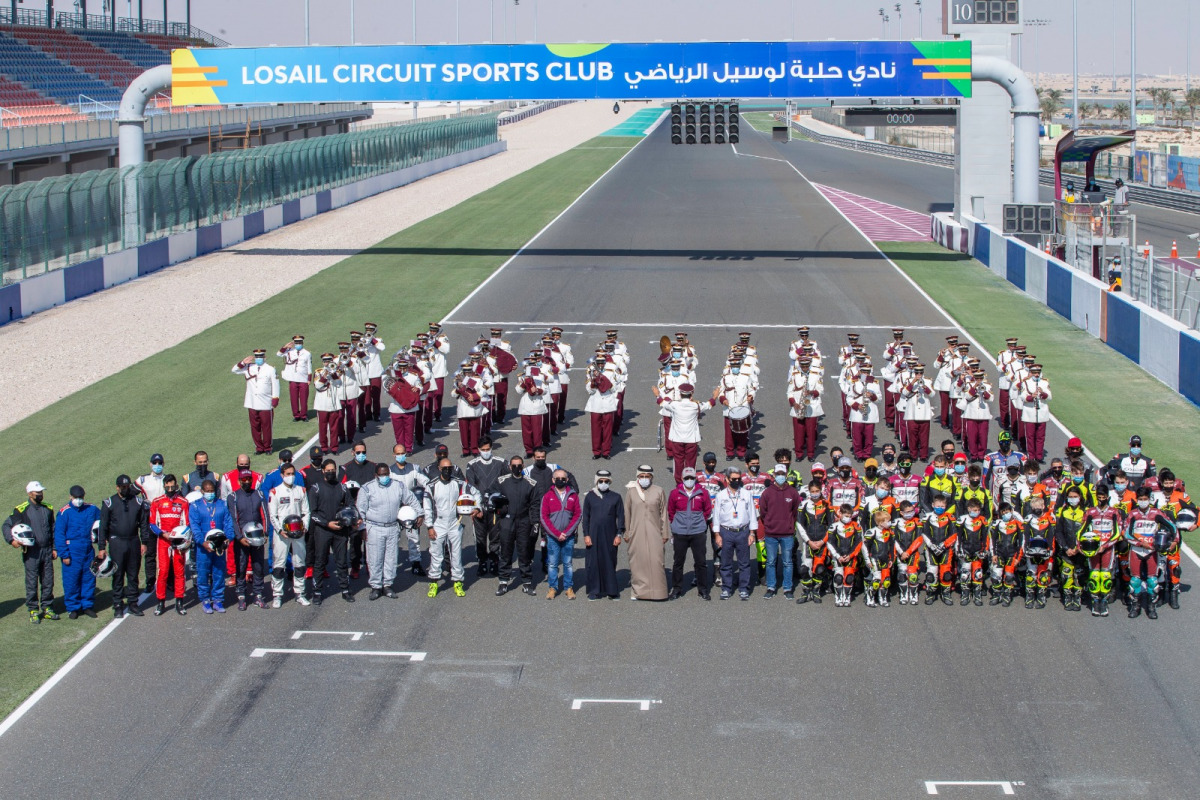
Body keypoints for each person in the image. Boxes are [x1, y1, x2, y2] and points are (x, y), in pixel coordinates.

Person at [358, 462, 422, 600]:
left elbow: (411, 499)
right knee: (375, 558)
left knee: (391, 558)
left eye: (386, 474)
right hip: (374, 527)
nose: (384, 477)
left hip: (392, 527)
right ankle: (376, 586)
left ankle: (387, 585)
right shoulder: (367, 489)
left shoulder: (398, 486)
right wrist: (362, 529)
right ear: (376, 475)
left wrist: (420, 513)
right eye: (381, 475)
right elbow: (360, 511)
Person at [423, 457, 482, 598]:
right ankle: (434, 582)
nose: (447, 470)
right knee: (436, 555)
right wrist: (429, 527)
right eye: (445, 468)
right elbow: (427, 508)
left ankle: (458, 582)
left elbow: (476, 493)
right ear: (439, 468)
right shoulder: (431, 485)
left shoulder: (459, 483)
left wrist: (477, 507)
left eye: (450, 468)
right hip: (438, 524)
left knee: (456, 555)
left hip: (455, 523)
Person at [4, 481, 58, 623]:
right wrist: (12, 541)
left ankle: (47, 607)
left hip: (46, 550)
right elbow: (6, 525)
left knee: (48, 581)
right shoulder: (21, 510)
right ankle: (33, 610)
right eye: (37, 492)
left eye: (41, 492)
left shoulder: (48, 508)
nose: (40, 494)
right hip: (31, 552)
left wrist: (54, 548)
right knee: (32, 581)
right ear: (30, 493)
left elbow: (53, 529)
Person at [97, 475, 150, 618]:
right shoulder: (109, 503)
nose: (125, 489)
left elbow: (144, 524)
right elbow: (103, 527)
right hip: (117, 542)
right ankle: (118, 605)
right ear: (117, 487)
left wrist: (144, 542)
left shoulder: (138, 502)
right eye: (123, 487)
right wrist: (102, 547)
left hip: (133, 540)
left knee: (133, 574)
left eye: (127, 487)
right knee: (118, 574)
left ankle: (133, 603)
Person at [490, 455, 540, 596]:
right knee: (505, 552)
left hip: (524, 521)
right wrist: (499, 508)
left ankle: (527, 583)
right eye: (514, 465)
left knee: (524, 552)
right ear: (510, 467)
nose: (517, 468)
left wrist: (535, 522)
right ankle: (503, 582)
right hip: (507, 520)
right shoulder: (501, 481)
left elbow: (535, 504)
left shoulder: (531, 483)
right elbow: (490, 495)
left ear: (523, 466)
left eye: (519, 465)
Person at [309, 459, 356, 604]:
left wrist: (349, 520)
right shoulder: (315, 488)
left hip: (340, 531)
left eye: (333, 470)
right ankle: (317, 592)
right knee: (320, 562)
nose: (331, 472)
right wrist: (327, 524)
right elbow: (312, 513)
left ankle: (345, 590)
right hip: (323, 531)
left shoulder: (342, 487)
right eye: (328, 470)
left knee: (342, 562)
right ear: (323, 471)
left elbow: (350, 506)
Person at [1124, 486, 1173, 620]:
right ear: (1137, 500)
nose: (1143, 501)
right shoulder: (1132, 514)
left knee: (1152, 580)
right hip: (1136, 550)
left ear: (1149, 499)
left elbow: (1172, 527)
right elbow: (1126, 533)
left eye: (1145, 499)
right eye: (1140, 499)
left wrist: (1173, 541)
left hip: (1152, 551)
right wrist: (1140, 543)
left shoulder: (1157, 513)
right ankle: (1136, 606)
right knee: (1135, 580)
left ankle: (1151, 607)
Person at [623, 465, 670, 601]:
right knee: (638, 561)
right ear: (637, 477)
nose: (644, 479)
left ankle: (659, 592)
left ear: (651, 477)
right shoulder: (631, 492)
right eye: (641, 476)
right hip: (636, 531)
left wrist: (665, 533)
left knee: (656, 561)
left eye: (647, 476)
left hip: (654, 531)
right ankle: (638, 592)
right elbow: (628, 513)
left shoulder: (659, 491)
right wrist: (627, 533)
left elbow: (663, 513)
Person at [666, 467, 714, 600]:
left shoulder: (703, 492)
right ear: (682, 479)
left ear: (695, 479)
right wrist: (676, 524)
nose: (689, 480)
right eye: (686, 478)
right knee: (678, 562)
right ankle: (676, 589)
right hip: (680, 532)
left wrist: (700, 523)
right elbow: (671, 511)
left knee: (701, 562)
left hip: (698, 532)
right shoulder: (675, 493)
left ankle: (703, 589)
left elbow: (707, 511)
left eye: (691, 478)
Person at [267, 463, 311, 607]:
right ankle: (277, 595)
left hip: (298, 533)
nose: (290, 476)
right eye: (288, 474)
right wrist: (280, 530)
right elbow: (272, 515)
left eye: (293, 473)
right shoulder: (274, 492)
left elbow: (306, 512)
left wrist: (304, 527)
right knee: (279, 565)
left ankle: (300, 593)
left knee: (300, 564)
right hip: (282, 534)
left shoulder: (301, 490)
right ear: (282, 475)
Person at [225, 467, 268, 610]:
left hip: (257, 537)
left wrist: (265, 533)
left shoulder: (259, 494)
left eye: (249, 479)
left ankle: (258, 594)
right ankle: (241, 596)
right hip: (242, 539)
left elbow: (265, 515)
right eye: (244, 479)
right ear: (239, 481)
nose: (247, 481)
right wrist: (239, 537)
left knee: (258, 566)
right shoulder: (233, 497)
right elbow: (233, 518)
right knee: (241, 567)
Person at [55, 485, 99, 619]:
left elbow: (103, 521)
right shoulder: (64, 512)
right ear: (70, 497)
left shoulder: (91, 509)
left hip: (87, 548)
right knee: (71, 581)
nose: (78, 500)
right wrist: (64, 554)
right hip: (72, 550)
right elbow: (59, 535)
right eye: (76, 497)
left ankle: (87, 605)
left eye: (80, 497)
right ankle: (73, 608)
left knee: (89, 578)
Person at [713, 467, 757, 600]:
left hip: (743, 532)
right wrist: (717, 535)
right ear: (727, 479)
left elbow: (752, 515)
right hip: (726, 532)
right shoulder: (721, 495)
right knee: (726, 562)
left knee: (744, 563)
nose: (736, 481)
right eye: (733, 479)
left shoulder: (746, 494)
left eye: (739, 479)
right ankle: (726, 588)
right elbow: (716, 516)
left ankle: (744, 588)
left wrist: (752, 533)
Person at [758, 464, 801, 600]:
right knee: (770, 561)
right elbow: (763, 512)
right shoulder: (767, 493)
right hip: (771, 533)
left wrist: (789, 525)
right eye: (778, 474)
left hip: (787, 534)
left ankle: (787, 588)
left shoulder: (793, 492)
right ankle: (771, 587)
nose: (781, 476)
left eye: (783, 473)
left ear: (786, 474)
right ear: (774, 475)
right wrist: (770, 525)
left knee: (787, 562)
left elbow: (795, 512)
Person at [148, 474, 189, 617]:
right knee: (163, 571)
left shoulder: (183, 502)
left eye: (173, 486)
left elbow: (187, 523)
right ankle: (160, 601)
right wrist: (162, 534)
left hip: (178, 542)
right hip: (163, 541)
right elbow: (152, 524)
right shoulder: (157, 502)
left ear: (176, 485)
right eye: (168, 486)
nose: (170, 489)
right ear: (164, 486)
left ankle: (179, 601)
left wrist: (184, 538)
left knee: (179, 571)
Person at [190, 480, 233, 614]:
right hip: (204, 547)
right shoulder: (195, 506)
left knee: (219, 573)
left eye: (212, 491)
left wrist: (228, 538)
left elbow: (228, 523)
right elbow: (194, 527)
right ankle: (205, 600)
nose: (210, 493)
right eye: (207, 491)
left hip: (219, 545)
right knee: (203, 573)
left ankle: (218, 599)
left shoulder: (222, 504)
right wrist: (202, 542)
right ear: (202, 491)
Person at [1079, 484, 1122, 616]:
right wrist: (1080, 545)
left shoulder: (1114, 512)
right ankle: (1095, 601)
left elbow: (1117, 532)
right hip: (1093, 548)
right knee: (1094, 575)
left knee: (1106, 575)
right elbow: (1082, 530)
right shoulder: (1090, 512)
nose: (1101, 499)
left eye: (1104, 497)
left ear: (1108, 497)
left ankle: (1104, 600)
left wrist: (1106, 545)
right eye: (1099, 497)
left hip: (1108, 548)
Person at [466, 437, 506, 577]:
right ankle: (482, 563)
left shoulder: (501, 463)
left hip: (495, 509)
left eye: (487, 449)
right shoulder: (472, 465)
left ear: (492, 448)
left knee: (496, 537)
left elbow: (505, 483)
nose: (485, 452)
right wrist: (477, 508)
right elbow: (470, 488)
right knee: (480, 538)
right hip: (480, 510)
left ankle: (495, 562)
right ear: (478, 450)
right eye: (482, 450)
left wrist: (500, 504)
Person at [582, 469, 624, 600]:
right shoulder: (590, 497)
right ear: (596, 481)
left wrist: (619, 534)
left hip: (610, 534)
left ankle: (611, 590)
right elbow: (586, 517)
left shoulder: (616, 497)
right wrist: (586, 534)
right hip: (593, 535)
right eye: (601, 481)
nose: (603, 483)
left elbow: (621, 517)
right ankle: (594, 590)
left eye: (606, 481)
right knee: (593, 562)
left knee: (609, 561)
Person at [540, 468, 582, 599]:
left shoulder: (573, 495)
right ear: (553, 480)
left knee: (568, 563)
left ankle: (568, 587)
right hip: (553, 537)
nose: (560, 480)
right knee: (552, 563)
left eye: (563, 478)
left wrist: (567, 532)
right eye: (557, 478)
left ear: (567, 480)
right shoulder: (547, 496)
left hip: (568, 536)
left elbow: (578, 515)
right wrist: (556, 533)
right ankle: (552, 588)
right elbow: (543, 517)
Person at [657, 383, 711, 484]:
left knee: (678, 460)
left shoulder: (674, 405)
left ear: (680, 394)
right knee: (691, 461)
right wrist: (715, 396)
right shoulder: (696, 405)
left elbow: (662, 403)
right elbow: (708, 405)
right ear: (692, 394)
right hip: (691, 439)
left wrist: (656, 394)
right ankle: (690, 480)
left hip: (677, 438)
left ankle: (679, 482)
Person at [390, 444, 429, 576]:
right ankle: (391, 566)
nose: (401, 456)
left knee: (414, 537)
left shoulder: (414, 468)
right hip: (396, 509)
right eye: (398, 453)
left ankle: (416, 563)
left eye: (403, 453)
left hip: (412, 508)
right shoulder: (389, 472)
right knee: (394, 538)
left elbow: (426, 483)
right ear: (394, 455)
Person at [233, 348, 280, 455]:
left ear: (264, 357)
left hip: (265, 402)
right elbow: (234, 370)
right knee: (255, 426)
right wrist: (242, 363)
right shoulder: (249, 367)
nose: (259, 359)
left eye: (260, 357)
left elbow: (275, 384)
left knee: (267, 427)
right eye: (257, 357)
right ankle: (259, 447)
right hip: (252, 402)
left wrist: (275, 398)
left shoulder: (270, 369)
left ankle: (268, 447)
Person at [134, 453, 167, 596]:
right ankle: (150, 580)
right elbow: (130, 495)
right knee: (150, 552)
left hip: (165, 519)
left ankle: (169, 580)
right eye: (155, 462)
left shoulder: (168, 479)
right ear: (150, 464)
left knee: (168, 550)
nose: (157, 465)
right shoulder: (142, 480)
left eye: (160, 463)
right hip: (149, 518)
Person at [796, 481, 832, 604]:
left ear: (821, 490)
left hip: (822, 543)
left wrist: (823, 541)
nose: (815, 494)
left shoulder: (827, 504)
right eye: (813, 491)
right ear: (809, 492)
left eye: (817, 491)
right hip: (808, 542)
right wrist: (808, 541)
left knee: (820, 569)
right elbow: (799, 524)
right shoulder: (803, 504)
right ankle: (806, 591)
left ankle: (816, 591)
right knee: (804, 569)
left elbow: (831, 526)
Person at [922, 492, 957, 606]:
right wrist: (931, 545)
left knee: (946, 573)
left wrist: (943, 545)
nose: (940, 508)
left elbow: (954, 534)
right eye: (938, 506)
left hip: (946, 549)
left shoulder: (950, 517)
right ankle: (930, 593)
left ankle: (945, 593)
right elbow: (924, 533)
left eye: (942, 506)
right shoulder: (927, 517)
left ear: (945, 506)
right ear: (932, 505)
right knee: (931, 574)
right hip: (931, 549)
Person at [988, 502, 1025, 607]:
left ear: (1011, 512)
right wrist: (993, 554)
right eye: (1003, 512)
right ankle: (996, 595)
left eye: (1007, 512)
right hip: (999, 554)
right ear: (1000, 513)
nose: (1005, 514)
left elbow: (1022, 542)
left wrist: (1018, 557)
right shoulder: (996, 523)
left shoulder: (1018, 524)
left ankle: (1007, 595)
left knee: (1009, 577)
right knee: (995, 576)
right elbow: (992, 540)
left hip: (1012, 554)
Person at [827, 503, 863, 607]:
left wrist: (851, 555)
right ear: (840, 514)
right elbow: (830, 542)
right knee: (838, 577)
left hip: (851, 556)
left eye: (850, 516)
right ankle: (838, 596)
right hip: (837, 556)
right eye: (846, 516)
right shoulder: (834, 526)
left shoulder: (856, 526)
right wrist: (837, 556)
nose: (848, 518)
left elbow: (859, 542)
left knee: (849, 577)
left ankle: (847, 596)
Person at [956, 497, 990, 607]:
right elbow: (958, 537)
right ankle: (965, 594)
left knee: (978, 574)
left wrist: (985, 550)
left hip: (977, 550)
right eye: (974, 510)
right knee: (965, 574)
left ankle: (977, 594)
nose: (976, 512)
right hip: (965, 549)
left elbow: (985, 537)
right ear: (968, 508)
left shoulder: (983, 520)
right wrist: (958, 550)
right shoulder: (962, 519)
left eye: (978, 510)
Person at [584, 359, 618, 459]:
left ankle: (606, 452)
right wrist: (594, 382)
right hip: (595, 403)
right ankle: (596, 452)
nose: (600, 365)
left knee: (607, 430)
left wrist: (602, 378)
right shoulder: (590, 371)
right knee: (595, 430)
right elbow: (589, 390)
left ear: (604, 363)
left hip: (608, 403)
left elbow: (614, 388)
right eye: (598, 363)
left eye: (601, 363)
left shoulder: (611, 371)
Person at [862, 508, 895, 608]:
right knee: (876, 580)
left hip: (885, 559)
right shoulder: (871, 532)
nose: (889, 523)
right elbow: (864, 547)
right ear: (880, 522)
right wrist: (867, 560)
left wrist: (892, 559)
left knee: (886, 580)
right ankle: (869, 598)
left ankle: (882, 598)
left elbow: (892, 546)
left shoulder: (890, 532)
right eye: (887, 521)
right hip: (875, 558)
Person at [516, 362, 549, 458]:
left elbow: (545, 390)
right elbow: (518, 391)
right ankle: (529, 450)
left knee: (537, 430)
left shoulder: (541, 376)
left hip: (536, 406)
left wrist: (538, 390)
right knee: (526, 430)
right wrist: (524, 383)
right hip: (525, 406)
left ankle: (538, 448)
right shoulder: (522, 377)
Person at [1019, 364, 1051, 463]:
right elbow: (1023, 397)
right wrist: (1031, 396)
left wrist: (1043, 393)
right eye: (1034, 372)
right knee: (1030, 436)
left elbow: (1049, 397)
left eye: (1038, 372)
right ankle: (1031, 456)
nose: (1036, 374)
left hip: (1041, 413)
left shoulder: (1045, 383)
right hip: (1030, 413)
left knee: (1041, 436)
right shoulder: (1026, 383)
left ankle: (1039, 456)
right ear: (1031, 373)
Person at [313, 352, 345, 455]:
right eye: (325, 361)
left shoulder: (337, 371)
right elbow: (317, 386)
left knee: (334, 428)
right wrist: (325, 376)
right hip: (322, 405)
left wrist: (334, 374)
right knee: (322, 428)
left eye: (329, 361)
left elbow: (339, 384)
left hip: (333, 405)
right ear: (323, 362)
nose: (327, 363)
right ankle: (324, 447)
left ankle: (334, 447)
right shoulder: (318, 372)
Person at [278, 334, 313, 422]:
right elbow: (278, 354)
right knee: (293, 398)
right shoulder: (289, 351)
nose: (298, 344)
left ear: (302, 343)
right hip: (293, 378)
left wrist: (309, 378)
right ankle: (296, 415)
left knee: (304, 398)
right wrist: (285, 347)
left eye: (299, 342)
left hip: (303, 378)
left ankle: (304, 415)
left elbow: (309, 366)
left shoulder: (307, 353)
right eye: (296, 343)